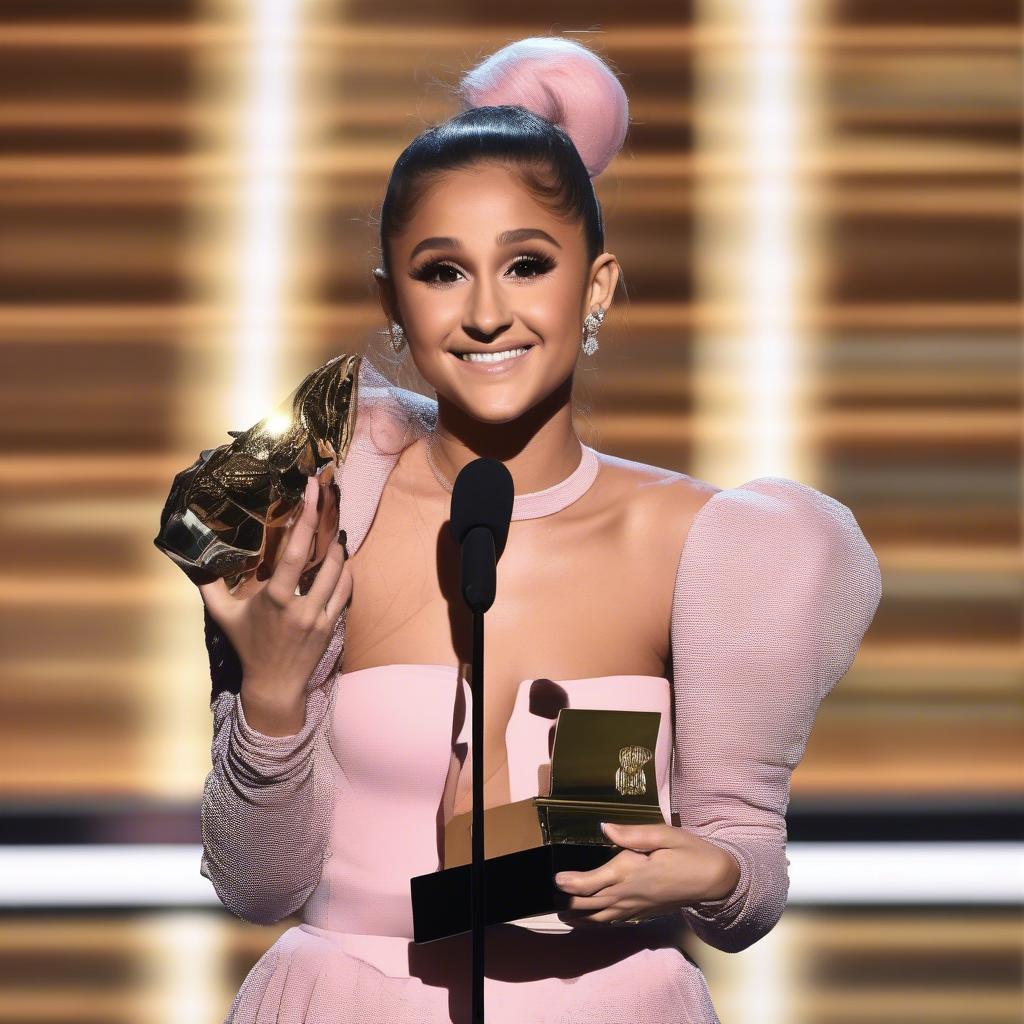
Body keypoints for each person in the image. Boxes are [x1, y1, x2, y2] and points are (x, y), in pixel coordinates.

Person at [196, 35, 883, 1024]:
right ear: (392, 299)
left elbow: (748, 879)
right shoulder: (312, 519)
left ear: (595, 285)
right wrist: (267, 688)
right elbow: (255, 886)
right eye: (441, 272)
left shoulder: (709, 547)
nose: (486, 313)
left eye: (526, 265)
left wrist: (712, 872)